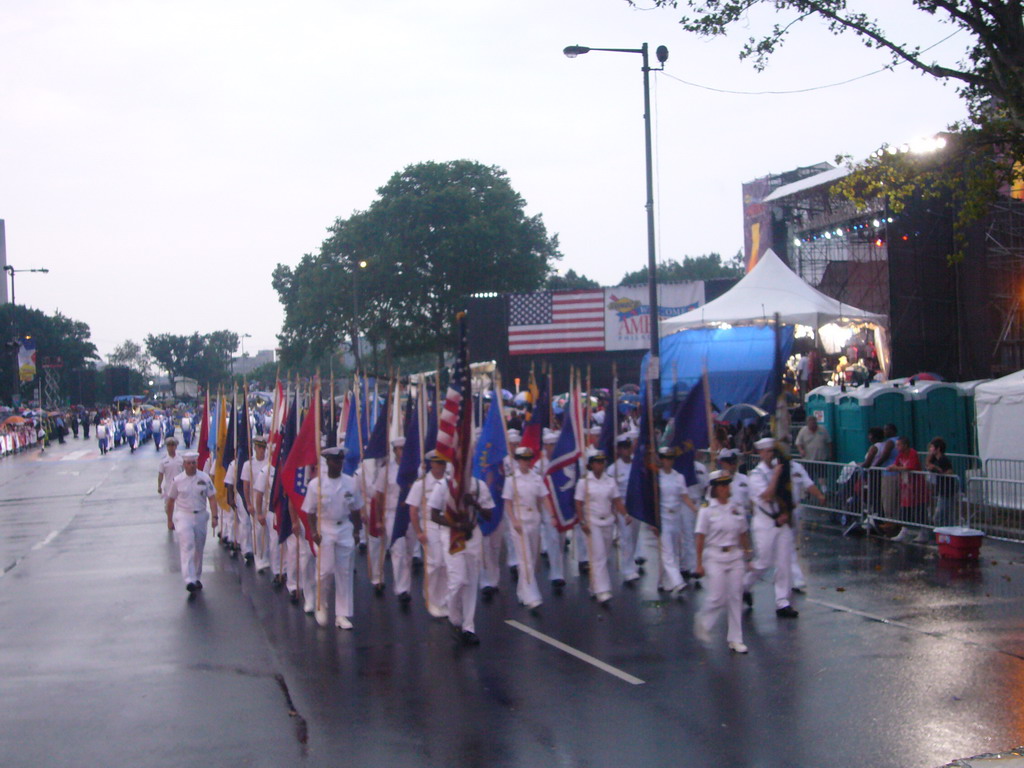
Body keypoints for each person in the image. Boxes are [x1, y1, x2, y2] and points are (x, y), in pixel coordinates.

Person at [428, 471, 494, 644]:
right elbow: (433, 514)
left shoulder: (479, 485)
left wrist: (475, 504)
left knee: (472, 582)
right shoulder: (444, 486)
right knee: (458, 580)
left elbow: (489, 515)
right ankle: (454, 618)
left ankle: (468, 627)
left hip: (473, 534)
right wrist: (456, 524)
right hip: (451, 534)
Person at [304, 446, 364, 629]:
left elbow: (356, 509)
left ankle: (342, 614)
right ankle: (321, 604)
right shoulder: (316, 485)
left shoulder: (351, 483)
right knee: (325, 571)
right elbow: (310, 511)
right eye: (334, 461)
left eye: (340, 461)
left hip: (345, 527)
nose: (337, 464)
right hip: (325, 529)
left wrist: (356, 532)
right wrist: (314, 532)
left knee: (344, 572)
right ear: (327, 462)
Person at [694, 470, 753, 653]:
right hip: (714, 555)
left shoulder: (736, 507)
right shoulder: (706, 510)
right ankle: (703, 622)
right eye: (720, 485)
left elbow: (743, 532)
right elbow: (700, 537)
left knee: (736, 596)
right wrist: (698, 563)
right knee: (718, 596)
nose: (724, 488)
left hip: (734, 555)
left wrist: (747, 553)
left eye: (726, 484)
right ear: (713, 488)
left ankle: (736, 639)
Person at [742, 437, 800, 618]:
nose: (769, 455)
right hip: (764, 522)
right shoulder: (756, 475)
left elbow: (788, 493)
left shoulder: (781, 469)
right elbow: (767, 496)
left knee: (784, 562)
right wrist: (775, 475)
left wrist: (786, 513)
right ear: (760, 453)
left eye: (771, 451)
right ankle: (744, 586)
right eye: (765, 451)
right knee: (764, 562)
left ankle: (782, 602)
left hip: (781, 520)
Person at [575, 449, 628, 606]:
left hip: (608, 521)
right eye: (597, 462)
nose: (601, 465)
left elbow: (617, 500)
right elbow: (578, 503)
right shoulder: (584, 482)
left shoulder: (610, 481)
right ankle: (602, 590)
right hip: (593, 522)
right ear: (591, 464)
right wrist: (582, 521)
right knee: (598, 556)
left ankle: (593, 586)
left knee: (604, 555)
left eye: (602, 462)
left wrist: (625, 515)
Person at [502, 445, 550, 612]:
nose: (526, 463)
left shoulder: (536, 478)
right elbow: (507, 503)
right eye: (523, 460)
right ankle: (532, 596)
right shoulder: (511, 480)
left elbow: (544, 498)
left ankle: (522, 592)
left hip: (534, 519)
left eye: (528, 460)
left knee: (533, 560)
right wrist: (513, 520)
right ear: (518, 461)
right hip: (519, 522)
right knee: (525, 559)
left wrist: (550, 516)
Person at [165, 451, 219, 596]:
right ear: (184, 465)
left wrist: (215, 517)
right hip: (184, 516)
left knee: (199, 547)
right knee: (187, 546)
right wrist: (169, 520)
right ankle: (189, 579)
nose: (191, 466)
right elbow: (170, 501)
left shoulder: (204, 478)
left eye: (193, 463)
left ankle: (196, 576)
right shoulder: (178, 480)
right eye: (188, 463)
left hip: (201, 515)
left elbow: (212, 498)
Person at [405, 451, 450, 617]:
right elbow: (413, 509)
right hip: (430, 526)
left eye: (443, 464)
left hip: (447, 526)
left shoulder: (449, 482)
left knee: (446, 565)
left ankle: (443, 600)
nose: (440, 467)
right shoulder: (421, 484)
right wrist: (418, 532)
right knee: (435, 563)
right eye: (437, 463)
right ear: (431, 464)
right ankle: (431, 599)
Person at [374, 437, 415, 602]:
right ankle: (402, 589)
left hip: (410, 514)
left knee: (409, 552)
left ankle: (406, 584)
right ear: (394, 451)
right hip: (392, 513)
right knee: (398, 550)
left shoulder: (415, 469)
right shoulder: (386, 471)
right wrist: (379, 519)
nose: (402, 452)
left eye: (405, 449)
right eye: (399, 449)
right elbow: (379, 496)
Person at [657, 446, 697, 596]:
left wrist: (695, 510)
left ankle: (663, 581)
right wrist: (652, 523)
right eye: (666, 458)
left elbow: (684, 496)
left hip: (676, 517)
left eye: (671, 458)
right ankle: (678, 582)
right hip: (662, 517)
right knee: (667, 552)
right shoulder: (656, 477)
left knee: (672, 551)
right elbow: (652, 501)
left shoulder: (679, 476)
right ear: (661, 460)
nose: (669, 461)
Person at [535, 429, 567, 591]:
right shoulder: (538, 466)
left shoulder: (562, 463)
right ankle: (556, 574)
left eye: (554, 445)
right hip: (546, 507)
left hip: (561, 507)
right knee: (553, 538)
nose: (552, 448)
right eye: (549, 445)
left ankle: (558, 566)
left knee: (561, 538)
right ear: (545, 447)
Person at [612, 432, 642, 583]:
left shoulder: (637, 465)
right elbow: (611, 492)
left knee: (634, 537)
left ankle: (631, 564)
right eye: (623, 448)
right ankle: (628, 569)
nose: (626, 450)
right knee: (625, 538)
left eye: (628, 447)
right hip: (621, 506)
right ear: (618, 450)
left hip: (636, 506)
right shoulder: (614, 468)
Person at [891, 436, 929, 542]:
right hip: (906, 488)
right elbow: (895, 464)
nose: (897, 447)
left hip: (917, 487)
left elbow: (910, 467)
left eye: (899, 445)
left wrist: (896, 468)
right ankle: (904, 530)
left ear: (905, 445)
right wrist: (894, 467)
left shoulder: (913, 453)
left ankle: (923, 532)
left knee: (920, 510)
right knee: (905, 510)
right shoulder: (900, 455)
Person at [926, 437, 958, 531]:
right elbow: (928, 463)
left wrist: (938, 470)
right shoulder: (935, 459)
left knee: (940, 515)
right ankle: (945, 533)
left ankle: (943, 533)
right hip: (942, 490)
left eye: (932, 447)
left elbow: (950, 472)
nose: (930, 449)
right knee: (944, 515)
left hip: (947, 490)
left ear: (938, 449)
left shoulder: (943, 459)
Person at [157, 436, 183, 502]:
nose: (171, 447)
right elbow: (161, 474)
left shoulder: (181, 459)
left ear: (176, 446)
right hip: (169, 487)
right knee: (169, 506)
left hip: (180, 486)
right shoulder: (163, 460)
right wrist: (159, 486)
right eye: (168, 445)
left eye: (172, 445)